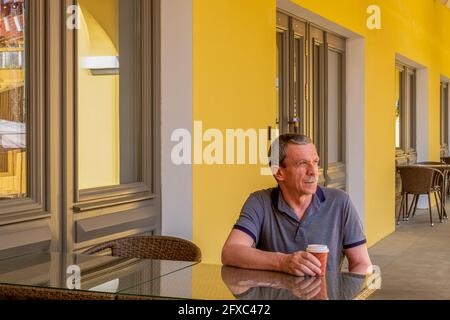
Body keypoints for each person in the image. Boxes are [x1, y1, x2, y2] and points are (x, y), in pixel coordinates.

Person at [222, 133, 373, 277]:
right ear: (279, 173)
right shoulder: (260, 202)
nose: (314, 172)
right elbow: (230, 251)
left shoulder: (340, 202)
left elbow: (362, 264)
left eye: (315, 162)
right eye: (303, 164)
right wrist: (283, 262)